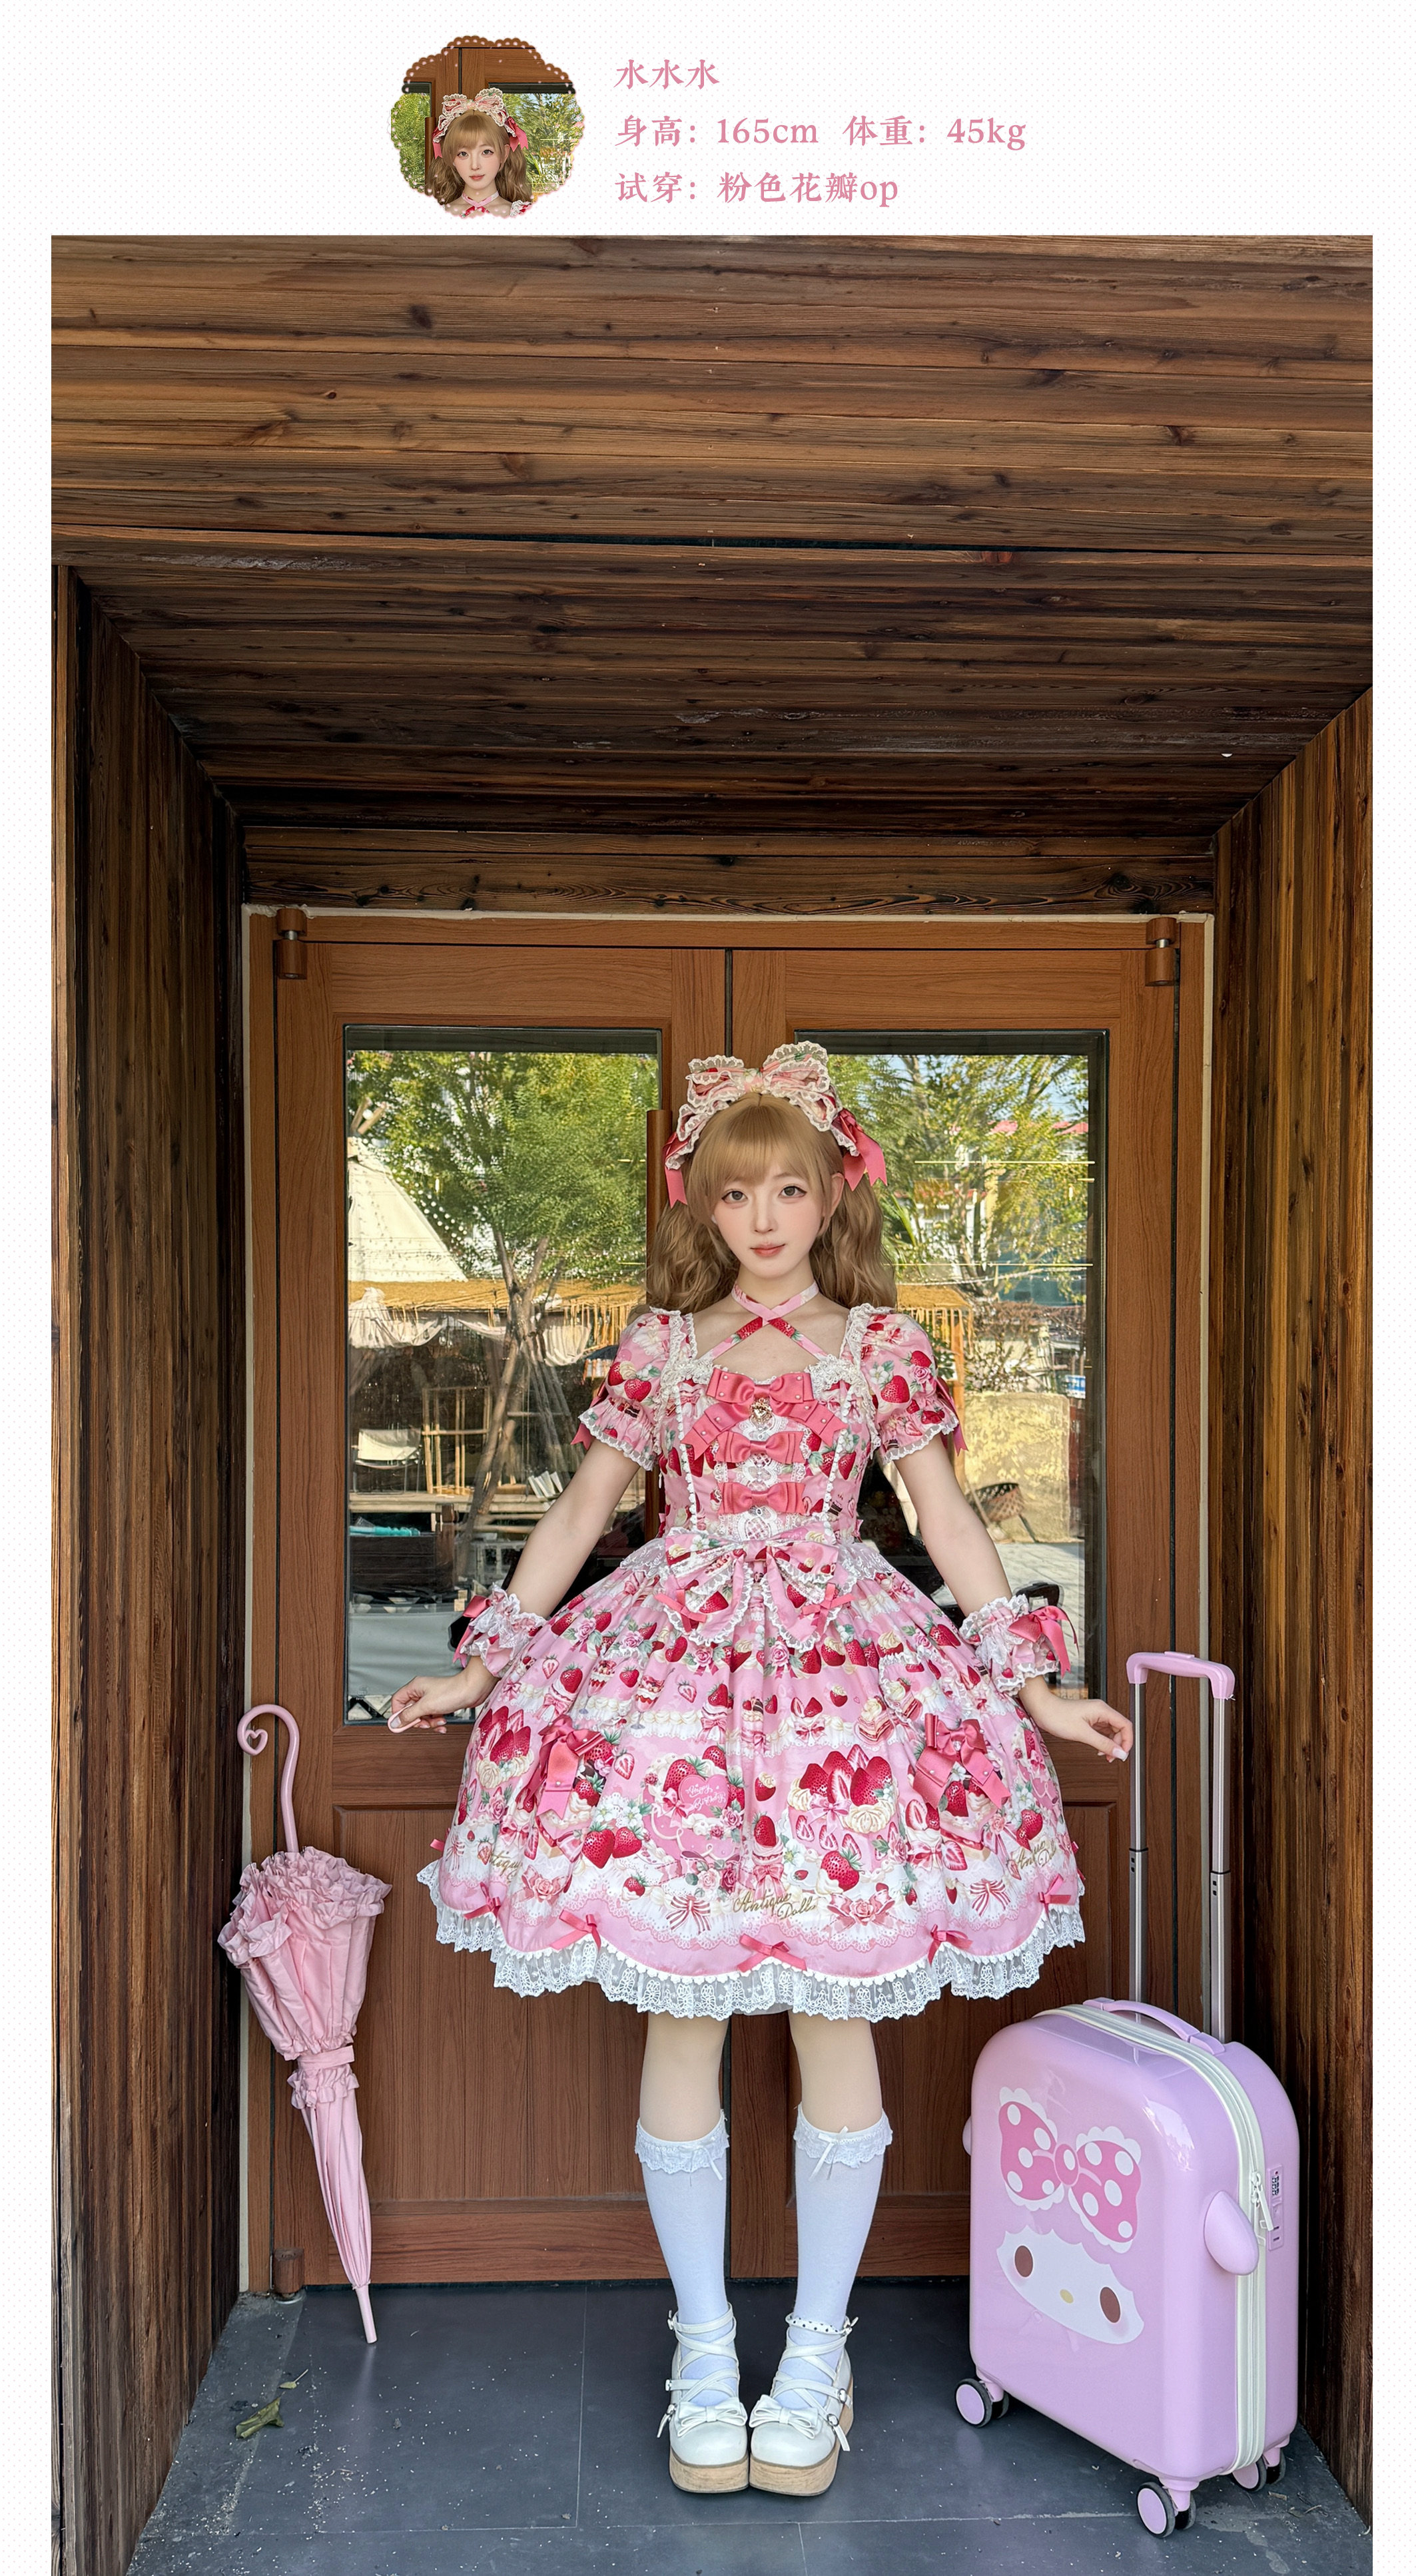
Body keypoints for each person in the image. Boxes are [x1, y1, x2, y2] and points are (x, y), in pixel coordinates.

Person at [391, 1042, 1132, 2498]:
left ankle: (814, 2350)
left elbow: (947, 1517)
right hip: (677, 1689)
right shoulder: (663, 1348)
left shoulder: (881, 1344)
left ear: (830, 1191)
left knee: (831, 2010)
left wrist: (1036, 1683)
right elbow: (581, 1509)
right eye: (738, 1194)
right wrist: (485, 1663)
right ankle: (702, 2343)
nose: (766, 1217)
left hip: (841, 1691)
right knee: (684, 2013)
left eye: (791, 1187)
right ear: (704, 1204)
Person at [429, 90, 534, 217]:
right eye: (463, 154)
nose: (475, 166)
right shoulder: (435, 217)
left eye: (486, 152)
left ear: (504, 154)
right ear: (451, 157)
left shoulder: (525, 215)